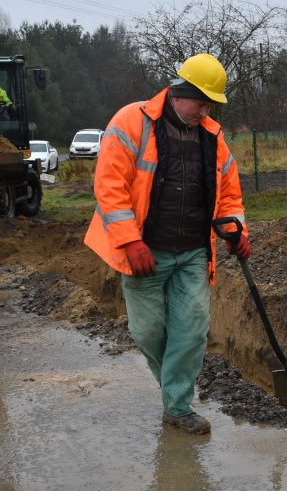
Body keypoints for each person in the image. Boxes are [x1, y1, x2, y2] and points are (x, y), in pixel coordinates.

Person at [84, 53, 249, 435]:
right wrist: (128, 241)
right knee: (148, 332)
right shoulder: (130, 121)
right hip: (145, 251)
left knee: (191, 329)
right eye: (202, 102)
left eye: (211, 104)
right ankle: (174, 387)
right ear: (179, 92)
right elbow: (109, 188)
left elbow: (229, 195)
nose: (205, 111)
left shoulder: (213, 136)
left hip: (193, 251)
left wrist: (238, 232)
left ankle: (177, 406)